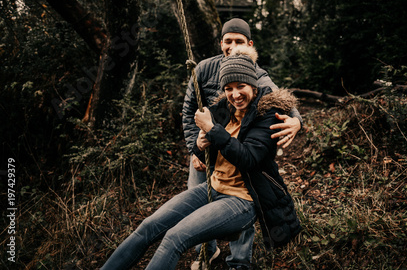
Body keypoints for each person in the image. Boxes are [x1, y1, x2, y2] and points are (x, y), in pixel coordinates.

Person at [100, 47, 301, 270]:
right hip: (213, 187)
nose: (235, 94)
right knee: (148, 226)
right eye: (229, 88)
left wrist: (213, 130)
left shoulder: (267, 115)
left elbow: (248, 158)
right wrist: (199, 144)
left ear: (253, 84)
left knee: (175, 237)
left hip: (242, 200)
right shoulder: (224, 109)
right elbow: (206, 151)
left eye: (241, 86)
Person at [182, 18, 302, 269]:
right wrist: (195, 146)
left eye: (239, 41)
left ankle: (238, 261)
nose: (232, 45)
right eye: (228, 41)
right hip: (206, 149)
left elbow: (284, 102)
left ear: (249, 44)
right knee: (196, 202)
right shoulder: (204, 69)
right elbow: (189, 110)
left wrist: (297, 121)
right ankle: (206, 253)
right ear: (221, 43)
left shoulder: (256, 72)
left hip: (236, 151)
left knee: (240, 197)